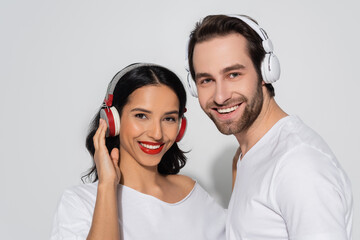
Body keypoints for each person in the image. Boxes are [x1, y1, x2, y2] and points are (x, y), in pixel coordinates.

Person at [186, 14, 353, 240]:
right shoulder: (247, 157)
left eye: (233, 74)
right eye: (206, 80)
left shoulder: (298, 166)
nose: (220, 96)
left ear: (266, 71)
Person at [50, 63, 226, 240]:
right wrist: (108, 185)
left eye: (169, 118)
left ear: (181, 126)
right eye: (141, 116)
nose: (157, 134)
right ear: (113, 121)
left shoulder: (189, 192)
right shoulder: (80, 202)